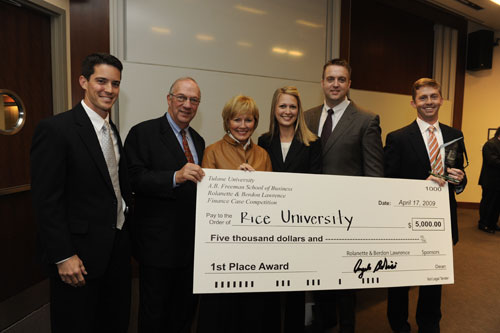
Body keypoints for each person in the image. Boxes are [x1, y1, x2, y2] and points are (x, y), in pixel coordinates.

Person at [30, 53, 133, 332]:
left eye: (115, 83)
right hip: (78, 259)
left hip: (116, 253)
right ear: (83, 81)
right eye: (101, 81)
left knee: (113, 322)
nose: (109, 90)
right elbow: (46, 200)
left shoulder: (112, 131)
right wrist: (63, 255)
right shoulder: (56, 129)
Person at [304, 58, 384, 333]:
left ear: (349, 83)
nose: (335, 84)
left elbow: (374, 172)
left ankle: (347, 325)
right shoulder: (308, 116)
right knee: (320, 271)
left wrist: (369, 214)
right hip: (313, 211)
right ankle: (325, 320)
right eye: (330, 79)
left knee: (347, 276)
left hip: (349, 216)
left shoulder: (366, 119)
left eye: (341, 79)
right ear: (322, 82)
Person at [384, 78, 467, 333]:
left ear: (441, 99)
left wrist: (460, 181)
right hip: (406, 221)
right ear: (413, 102)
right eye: (423, 98)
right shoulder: (397, 138)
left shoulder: (454, 135)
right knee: (400, 279)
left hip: (441, 220)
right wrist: (421, 184)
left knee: (434, 279)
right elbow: (388, 182)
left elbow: (458, 173)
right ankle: (398, 326)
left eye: (433, 96)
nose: (429, 102)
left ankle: (429, 325)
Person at [124, 77, 205, 332]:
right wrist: (174, 177)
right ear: (169, 99)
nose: (187, 105)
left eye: (194, 100)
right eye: (181, 97)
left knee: (183, 314)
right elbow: (133, 178)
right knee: (153, 315)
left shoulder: (199, 141)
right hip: (157, 246)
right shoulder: (143, 132)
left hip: (192, 248)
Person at [197, 94, 273, 333]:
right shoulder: (212, 151)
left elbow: (273, 201)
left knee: (252, 313)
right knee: (222, 314)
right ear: (227, 121)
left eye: (248, 120)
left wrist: (257, 184)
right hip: (222, 248)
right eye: (236, 120)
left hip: (256, 246)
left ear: (255, 122)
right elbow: (207, 202)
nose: (242, 126)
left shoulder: (263, 155)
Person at [258, 86, 321, 332]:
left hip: (298, 225)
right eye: (282, 106)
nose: (287, 111)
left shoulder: (313, 142)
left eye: (292, 106)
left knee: (295, 285)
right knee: (270, 286)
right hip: (270, 225)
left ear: (299, 110)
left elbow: (316, 181)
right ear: (274, 109)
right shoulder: (264, 140)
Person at [478, 127, 500, 234]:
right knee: (488, 203)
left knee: (496, 204)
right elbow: (493, 161)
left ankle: (492, 223)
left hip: (498, 181)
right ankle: (483, 224)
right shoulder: (490, 144)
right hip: (490, 180)